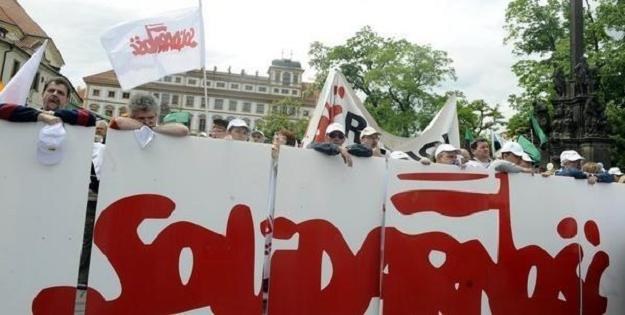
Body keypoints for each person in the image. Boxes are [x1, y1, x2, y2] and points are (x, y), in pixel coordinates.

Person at [1, 77, 95, 126]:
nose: (54, 94)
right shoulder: (27, 114)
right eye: (51, 90)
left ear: (67, 101)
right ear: (42, 94)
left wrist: (52, 114)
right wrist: (39, 115)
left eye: (60, 93)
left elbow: (91, 118)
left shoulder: (73, 119)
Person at [110, 93, 189, 136]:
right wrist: (146, 128)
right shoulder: (126, 127)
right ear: (132, 117)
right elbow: (118, 121)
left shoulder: (160, 129)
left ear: (156, 115)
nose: (147, 122)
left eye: (151, 117)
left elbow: (183, 130)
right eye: (141, 118)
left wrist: (152, 129)